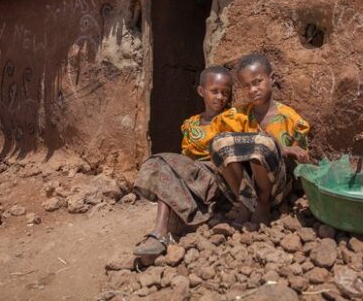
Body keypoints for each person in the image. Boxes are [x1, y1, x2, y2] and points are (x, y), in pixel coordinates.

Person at [132, 65, 233, 256]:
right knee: (163, 166)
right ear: (201, 91)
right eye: (214, 91)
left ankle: (160, 233)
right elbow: (186, 158)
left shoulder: (232, 119)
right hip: (193, 175)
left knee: (161, 161)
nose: (220, 97)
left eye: (225, 93)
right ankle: (161, 234)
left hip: (216, 176)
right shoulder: (191, 123)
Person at [210, 53, 311, 225]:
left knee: (263, 144)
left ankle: (262, 205)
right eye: (246, 86)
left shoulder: (291, 119)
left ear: (271, 78)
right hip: (242, 187)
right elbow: (221, 148)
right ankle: (245, 203)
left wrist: (282, 150)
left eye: (257, 82)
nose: (252, 90)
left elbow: (300, 165)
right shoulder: (236, 116)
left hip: (275, 190)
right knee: (218, 143)